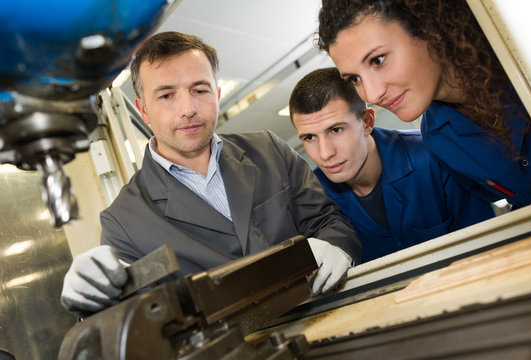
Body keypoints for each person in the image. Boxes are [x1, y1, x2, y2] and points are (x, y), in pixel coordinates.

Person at [60, 32, 363, 314]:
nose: (188, 108)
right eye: (166, 95)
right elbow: (127, 319)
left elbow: (329, 220)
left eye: (199, 89)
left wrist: (336, 246)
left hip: (322, 317)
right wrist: (92, 300)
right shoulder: (123, 222)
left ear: (217, 94)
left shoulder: (270, 150)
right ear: (143, 110)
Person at [317, 0, 531, 209]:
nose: (373, 94)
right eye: (354, 79)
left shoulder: (526, 50)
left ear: (429, 28)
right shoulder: (440, 141)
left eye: (378, 60)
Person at [289, 67, 495, 262]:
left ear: (367, 122)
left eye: (336, 130)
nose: (325, 153)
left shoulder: (434, 157)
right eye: (309, 137)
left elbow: (490, 245)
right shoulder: (314, 199)